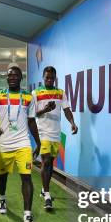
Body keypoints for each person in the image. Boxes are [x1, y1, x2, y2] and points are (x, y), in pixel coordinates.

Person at [0, 66, 40, 222]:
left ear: (21, 78)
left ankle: (27, 216)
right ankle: (2, 198)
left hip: (23, 143)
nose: (12, 78)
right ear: (7, 78)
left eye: (15, 75)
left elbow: (32, 121)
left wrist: (38, 143)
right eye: (9, 75)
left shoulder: (28, 97)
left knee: (26, 177)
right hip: (4, 144)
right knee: (2, 175)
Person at [33, 66, 78, 211]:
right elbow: (34, 114)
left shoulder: (60, 93)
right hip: (43, 132)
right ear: (43, 77)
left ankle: (43, 189)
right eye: (47, 77)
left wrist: (72, 123)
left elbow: (66, 109)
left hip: (55, 133)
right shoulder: (36, 93)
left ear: (55, 78)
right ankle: (47, 195)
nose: (49, 80)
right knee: (46, 161)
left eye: (52, 78)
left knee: (50, 163)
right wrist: (45, 109)